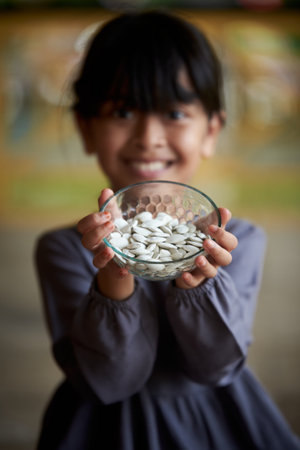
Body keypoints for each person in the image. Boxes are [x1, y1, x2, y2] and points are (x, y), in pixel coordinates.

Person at [35, 10, 300, 450]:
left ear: (211, 130)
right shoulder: (64, 250)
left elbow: (214, 367)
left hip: (219, 424)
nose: (149, 137)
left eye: (175, 112)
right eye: (122, 111)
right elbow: (110, 381)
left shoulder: (239, 243)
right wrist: (113, 278)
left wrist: (198, 284)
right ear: (86, 127)